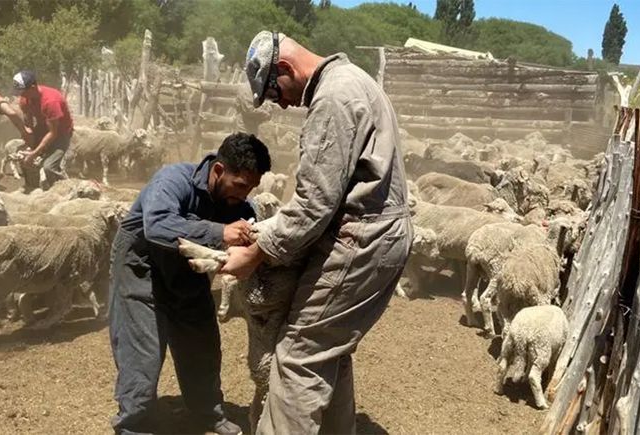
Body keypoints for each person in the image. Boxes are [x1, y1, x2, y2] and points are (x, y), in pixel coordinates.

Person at [221, 31, 413, 434]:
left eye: (276, 94)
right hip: (385, 233)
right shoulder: (358, 80)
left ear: (286, 70)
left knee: (297, 357)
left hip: (359, 240)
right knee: (330, 349)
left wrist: (256, 253)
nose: (282, 104)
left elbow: (314, 205)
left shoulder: (332, 99)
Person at [108, 132, 271, 435]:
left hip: (188, 275)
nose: (245, 194)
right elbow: (156, 226)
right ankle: (133, 424)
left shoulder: (239, 205)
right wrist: (221, 233)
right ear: (219, 171)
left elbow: (249, 237)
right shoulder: (172, 181)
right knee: (142, 352)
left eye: (251, 187)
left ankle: (207, 413)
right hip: (142, 270)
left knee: (203, 347)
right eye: (240, 185)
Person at [12, 70, 73, 191]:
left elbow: (53, 133)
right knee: (23, 157)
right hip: (42, 128)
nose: (20, 95)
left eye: (23, 91)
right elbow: (28, 122)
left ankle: (63, 190)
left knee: (49, 167)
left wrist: (34, 153)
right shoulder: (25, 99)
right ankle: (34, 188)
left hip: (61, 133)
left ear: (33, 87)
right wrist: (30, 143)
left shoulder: (51, 101)